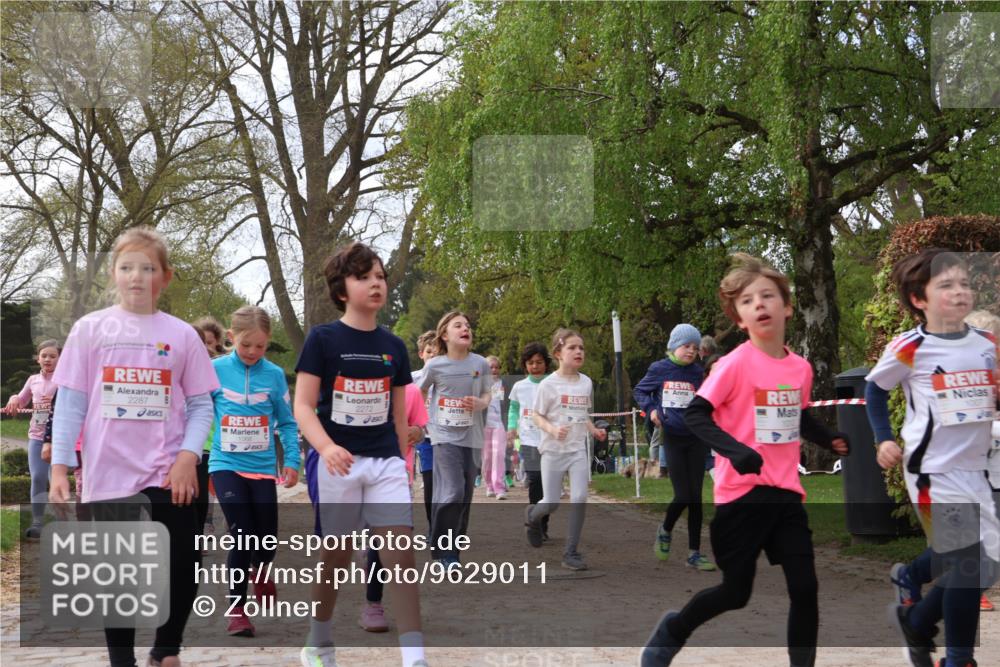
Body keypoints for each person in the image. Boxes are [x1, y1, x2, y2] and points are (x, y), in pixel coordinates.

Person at [641, 253, 849, 667]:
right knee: (736, 594)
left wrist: (830, 437)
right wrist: (735, 452)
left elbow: (798, 415)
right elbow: (697, 413)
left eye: (768, 296)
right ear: (739, 318)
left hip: (786, 494)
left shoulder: (801, 368)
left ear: (786, 307)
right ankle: (673, 630)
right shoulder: (733, 365)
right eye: (749, 300)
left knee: (805, 588)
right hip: (742, 497)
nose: (760, 304)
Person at [49, 226, 218, 667]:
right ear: (114, 273)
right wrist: (60, 468)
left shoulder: (182, 335)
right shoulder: (89, 329)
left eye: (147, 268)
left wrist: (187, 457)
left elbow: (202, 405)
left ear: (165, 276)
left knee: (183, 560)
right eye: (127, 267)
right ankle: (120, 658)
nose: (136, 276)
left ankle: (166, 650)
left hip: (168, 470)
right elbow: (70, 403)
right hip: (109, 471)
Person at [294, 242, 425, 667]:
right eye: (364, 276)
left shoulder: (395, 346)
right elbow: (302, 406)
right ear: (341, 290)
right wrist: (326, 447)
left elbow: (398, 410)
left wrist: (405, 454)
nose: (376, 284)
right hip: (338, 463)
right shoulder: (322, 339)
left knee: (400, 555)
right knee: (336, 556)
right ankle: (319, 641)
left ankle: (415, 656)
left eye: (381, 276)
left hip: (386, 461)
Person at [865, 249, 999, 667]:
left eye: (964, 283)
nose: (959, 292)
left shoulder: (987, 344)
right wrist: (883, 438)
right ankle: (958, 658)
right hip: (931, 470)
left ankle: (918, 618)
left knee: (987, 563)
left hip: (975, 467)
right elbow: (874, 389)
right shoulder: (911, 347)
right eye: (946, 286)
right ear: (918, 299)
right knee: (967, 562)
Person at [209, 305, 300, 637]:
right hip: (225, 464)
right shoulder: (214, 370)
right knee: (241, 534)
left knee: (267, 540)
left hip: (262, 467)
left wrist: (292, 461)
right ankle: (237, 611)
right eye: (245, 345)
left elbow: (288, 423)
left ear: (268, 342)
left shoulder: (274, 375)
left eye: (260, 346)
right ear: (231, 338)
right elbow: (197, 412)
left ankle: (261, 570)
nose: (252, 352)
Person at [523, 328, 607, 571]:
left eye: (581, 348)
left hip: (577, 450)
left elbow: (582, 415)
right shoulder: (548, 385)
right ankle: (532, 516)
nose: (578, 351)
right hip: (552, 450)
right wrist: (551, 429)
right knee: (551, 502)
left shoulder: (586, 383)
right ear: (558, 353)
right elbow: (536, 416)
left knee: (580, 497)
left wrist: (593, 430)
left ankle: (571, 552)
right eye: (572, 347)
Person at [633, 323, 714, 571]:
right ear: (673, 346)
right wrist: (652, 410)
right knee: (683, 495)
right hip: (674, 438)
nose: (690, 351)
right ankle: (666, 528)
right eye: (685, 346)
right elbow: (640, 391)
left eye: (695, 347)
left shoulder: (697, 372)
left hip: (696, 438)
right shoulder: (659, 369)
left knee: (697, 498)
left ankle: (694, 553)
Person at [418, 311, 492, 567]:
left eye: (468, 325)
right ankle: (441, 550)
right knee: (453, 491)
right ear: (444, 335)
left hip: (471, 437)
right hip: (442, 436)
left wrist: (480, 403)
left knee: (464, 497)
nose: (465, 328)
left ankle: (453, 553)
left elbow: (486, 394)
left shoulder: (480, 363)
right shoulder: (435, 365)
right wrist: (420, 420)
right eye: (458, 325)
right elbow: (420, 392)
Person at [359, 380, 428, 633]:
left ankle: (370, 556)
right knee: (378, 541)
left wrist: (415, 433)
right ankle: (373, 604)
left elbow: (420, 429)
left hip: (399, 475)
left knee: (394, 543)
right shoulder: (359, 385)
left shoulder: (409, 390)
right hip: (364, 473)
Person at [4, 339, 60, 538]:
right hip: (36, 437)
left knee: (56, 479)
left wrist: (55, 402)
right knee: (37, 477)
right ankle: (38, 523)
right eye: (44, 356)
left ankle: (62, 523)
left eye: (53, 356)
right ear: (38, 359)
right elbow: (21, 399)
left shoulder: (65, 380)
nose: (48, 359)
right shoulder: (33, 380)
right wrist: (13, 399)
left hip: (58, 438)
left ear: (60, 359)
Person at [508, 342, 552, 539]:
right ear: (525, 365)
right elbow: (514, 409)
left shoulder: (553, 383)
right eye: (531, 363)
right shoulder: (519, 386)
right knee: (535, 480)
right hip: (529, 439)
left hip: (550, 439)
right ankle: (536, 524)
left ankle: (544, 520)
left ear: (546, 364)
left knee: (548, 483)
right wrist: (511, 428)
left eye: (539, 362)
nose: (535, 366)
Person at [412, 330, 437, 523]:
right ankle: (433, 526)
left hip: (447, 438)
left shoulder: (448, 377)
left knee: (448, 486)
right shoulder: (412, 378)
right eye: (429, 352)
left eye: (437, 353)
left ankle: (450, 527)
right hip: (424, 439)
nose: (433, 356)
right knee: (429, 482)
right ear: (421, 354)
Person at [482, 356, 508, 499]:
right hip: (485, 426)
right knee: (487, 458)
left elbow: (507, 406)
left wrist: (509, 426)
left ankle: (499, 487)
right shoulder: (479, 384)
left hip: (499, 425)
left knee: (499, 455)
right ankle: (489, 485)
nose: (494, 370)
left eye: (497, 367)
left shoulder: (503, 384)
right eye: (491, 367)